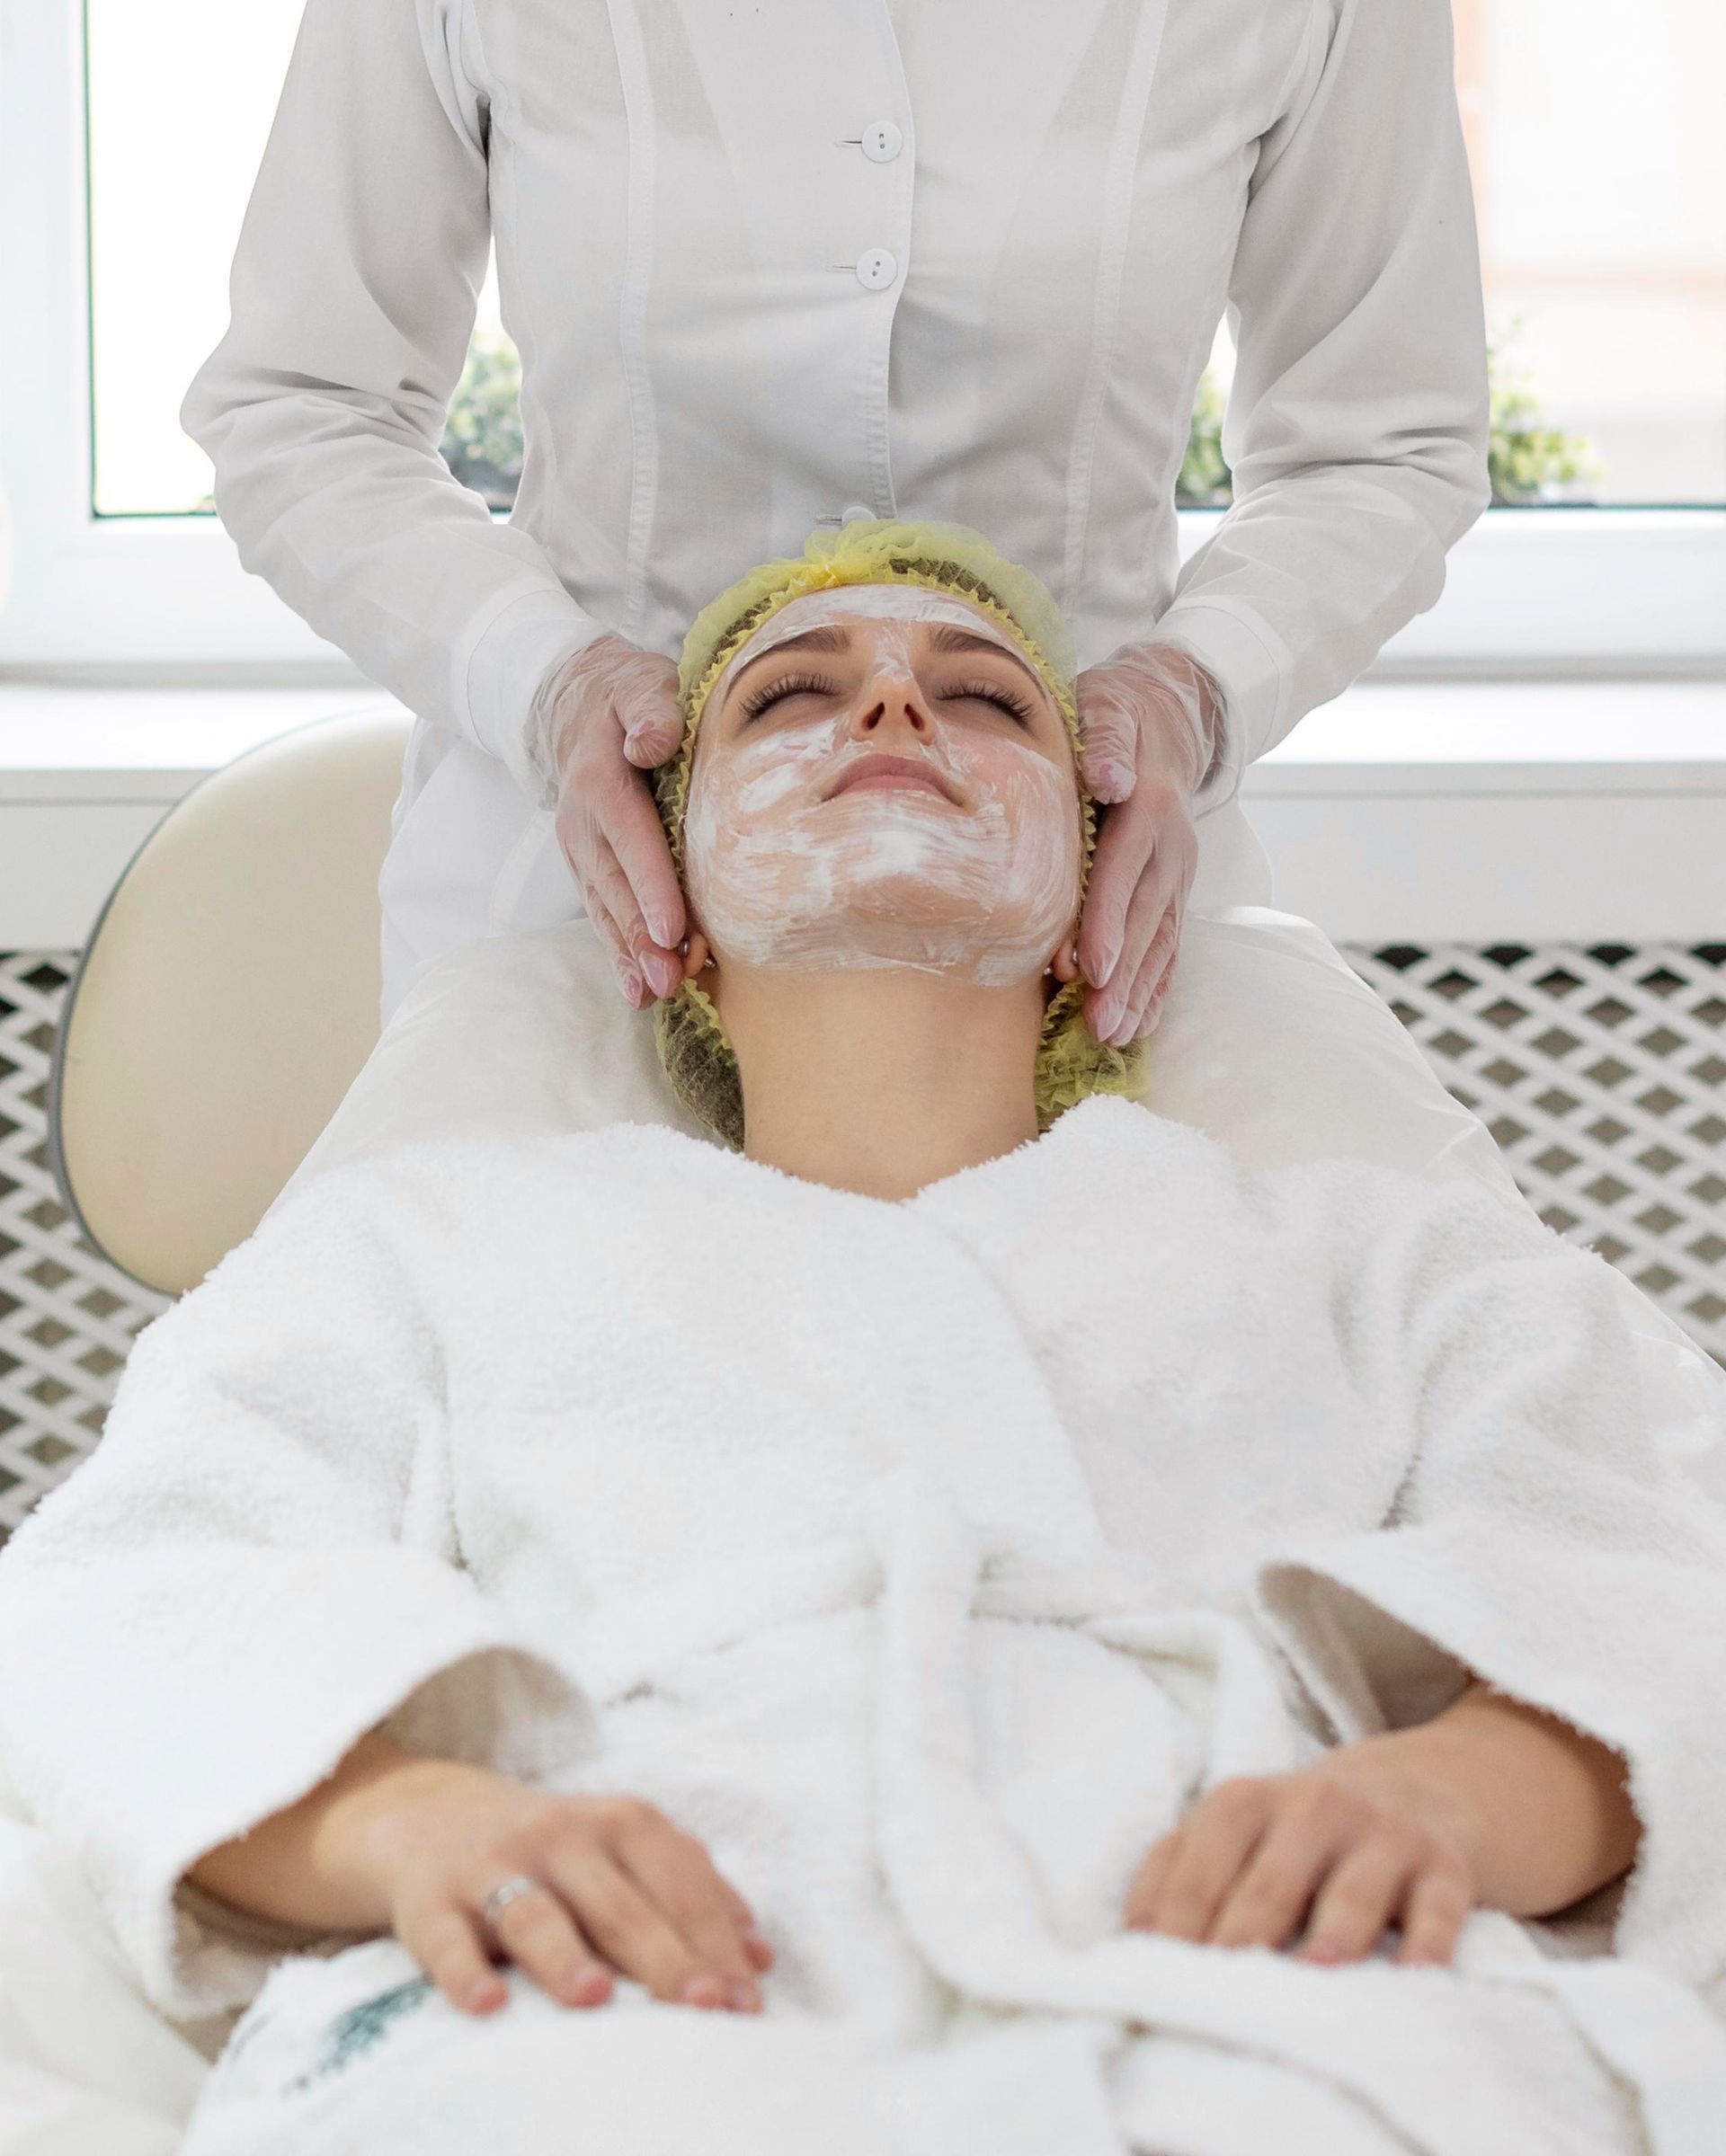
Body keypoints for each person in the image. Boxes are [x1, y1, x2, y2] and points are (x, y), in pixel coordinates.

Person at [3, 526, 1724, 2156]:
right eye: (790, 693)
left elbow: (1654, 1563)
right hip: (618, 1999)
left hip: (1275, 1996)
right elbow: (136, 1591)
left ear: (1094, 908)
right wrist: (415, 1824)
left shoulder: (1385, 1259)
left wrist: (1450, 1794)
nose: (897, 703)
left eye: (984, 696)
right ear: (655, 893)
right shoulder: (426, 1245)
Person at [178, 0, 1494, 1082]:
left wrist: (1190, 693)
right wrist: (549, 682)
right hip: (567, 913)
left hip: (1081, 923)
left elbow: (1380, 441)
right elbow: (303, 403)